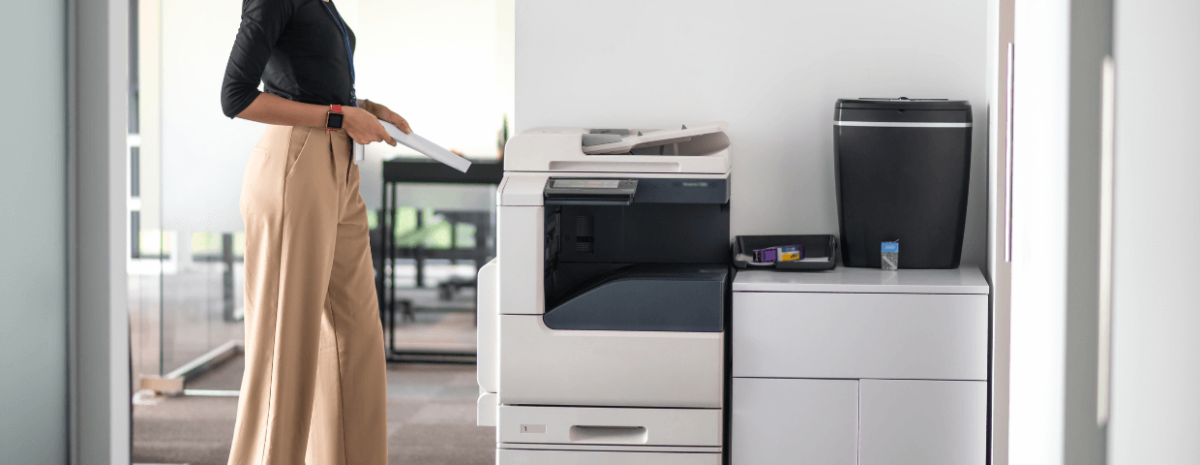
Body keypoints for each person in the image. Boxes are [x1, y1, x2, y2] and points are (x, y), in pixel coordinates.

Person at [219, 0, 405, 463]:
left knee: (355, 338)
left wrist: (365, 108)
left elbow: (308, 82)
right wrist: (340, 117)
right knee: (286, 346)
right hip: (295, 167)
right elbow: (236, 96)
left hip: (339, 169)